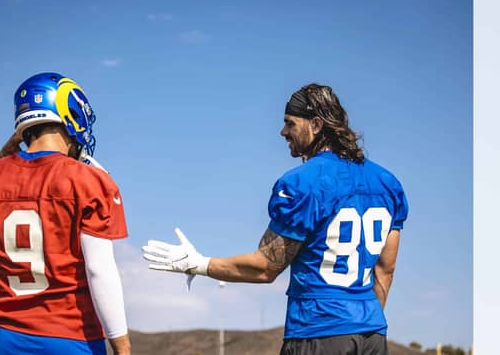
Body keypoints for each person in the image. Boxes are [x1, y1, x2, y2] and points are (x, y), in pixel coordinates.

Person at [143, 83, 408, 355]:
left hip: (318, 330)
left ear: (316, 125)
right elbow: (385, 270)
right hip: (371, 335)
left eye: (290, 124)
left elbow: (266, 267)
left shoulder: (302, 182)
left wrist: (198, 264)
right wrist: (360, 321)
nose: (283, 132)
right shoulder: (388, 183)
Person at [0, 72, 131, 355]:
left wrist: (0, 156)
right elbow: (99, 270)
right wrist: (122, 347)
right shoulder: (88, 180)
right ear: (70, 113)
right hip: (73, 335)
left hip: (9, 336)